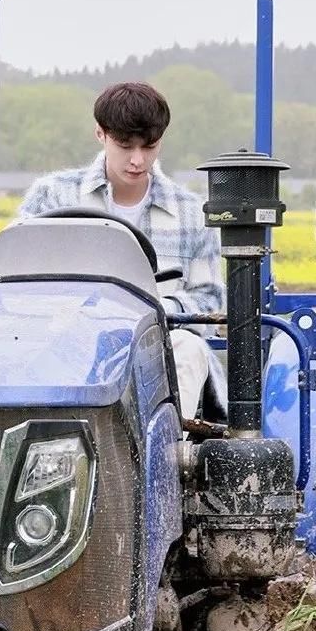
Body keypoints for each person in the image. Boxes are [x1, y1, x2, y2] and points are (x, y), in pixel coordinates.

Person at [16, 82, 225, 421]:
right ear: (101, 134)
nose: (137, 159)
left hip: (158, 345)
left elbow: (209, 302)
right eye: (125, 145)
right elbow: (19, 279)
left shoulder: (191, 213)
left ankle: (164, 460)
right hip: (69, 340)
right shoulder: (52, 198)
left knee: (189, 349)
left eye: (150, 146)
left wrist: (149, 313)